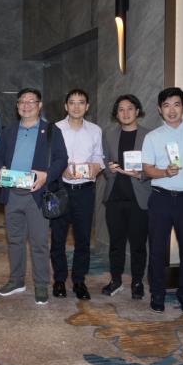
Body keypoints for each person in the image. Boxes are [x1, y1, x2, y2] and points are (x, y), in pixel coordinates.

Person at [0, 88, 68, 304]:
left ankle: (41, 284)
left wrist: (47, 176)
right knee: (14, 240)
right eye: (22, 102)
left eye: (31, 101)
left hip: (37, 193)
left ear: (39, 105)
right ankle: (17, 280)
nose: (26, 106)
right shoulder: (9, 131)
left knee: (39, 242)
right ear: (17, 106)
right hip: (12, 193)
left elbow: (62, 159)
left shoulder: (51, 131)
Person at [142, 87, 183, 314]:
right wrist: (164, 172)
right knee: (157, 250)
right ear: (160, 109)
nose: (171, 110)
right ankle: (157, 294)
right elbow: (147, 168)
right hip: (161, 199)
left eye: (176, 104)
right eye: (166, 105)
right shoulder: (153, 137)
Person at [51, 89, 105, 300]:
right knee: (58, 238)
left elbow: (99, 156)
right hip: (60, 190)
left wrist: (96, 167)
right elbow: (49, 158)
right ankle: (59, 280)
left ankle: (79, 281)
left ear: (87, 106)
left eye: (81, 102)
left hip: (85, 191)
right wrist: (61, 169)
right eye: (72, 102)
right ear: (66, 106)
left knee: (83, 239)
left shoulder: (95, 130)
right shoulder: (55, 129)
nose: (76, 106)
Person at [101, 94, 151, 299]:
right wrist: (109, 169)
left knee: (138, 244)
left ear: (137, 111)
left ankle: (137, 281)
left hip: (139, 198)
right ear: (116, 114)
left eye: (130, 108)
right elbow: (104, 162)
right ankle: (116, 280)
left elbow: (155, 166)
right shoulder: (109, 135)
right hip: (115, 197)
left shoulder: (149, 136)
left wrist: (141, 174)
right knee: (116, 243)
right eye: (121, 109)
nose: (125, 113)